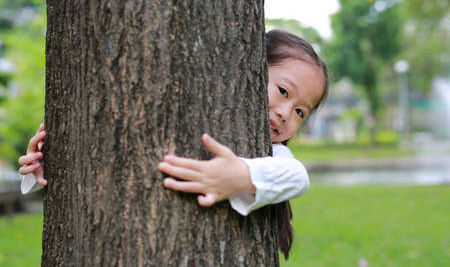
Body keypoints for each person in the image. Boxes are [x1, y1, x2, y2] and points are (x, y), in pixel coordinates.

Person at [18, 29, 329, 259]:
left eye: (301, 111)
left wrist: (241, 177)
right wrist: (46, 164)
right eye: (284, 92)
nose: (286, 113)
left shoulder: (271, 154)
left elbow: (297, 176)